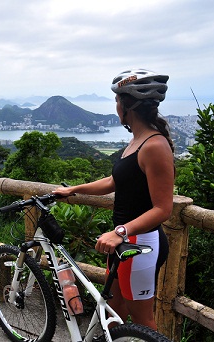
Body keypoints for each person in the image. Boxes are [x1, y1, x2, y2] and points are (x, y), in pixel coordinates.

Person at [54, 69, 174, 330]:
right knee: (114, 312)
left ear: (126, 105)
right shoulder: (136, 141)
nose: (116, 106)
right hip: (121, 242)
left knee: (143, 321)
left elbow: (163, 208)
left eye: (117, 101)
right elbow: (113, 182)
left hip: (140, 244)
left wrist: (120, 231)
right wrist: (73, 189)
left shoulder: (154, 145)